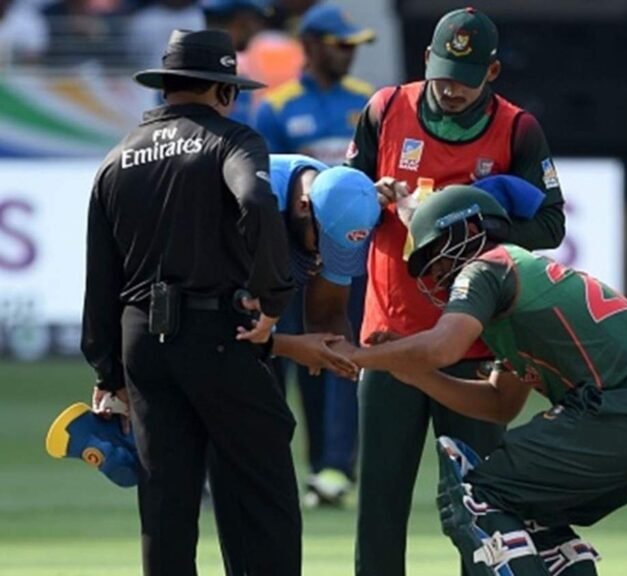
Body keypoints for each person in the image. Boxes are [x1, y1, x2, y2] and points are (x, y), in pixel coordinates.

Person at [326, 185, 627, 576]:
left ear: (466, 232)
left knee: (475, 495)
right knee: (532, 509)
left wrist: (355, 355)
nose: (434, 276)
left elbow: (443, 347)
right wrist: (417, 375)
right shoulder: (518, 289)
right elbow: (500, 403)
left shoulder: (488, 266)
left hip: (621, 407)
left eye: (433, 255)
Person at [81, 29, 321, 575]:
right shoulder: (233, 140)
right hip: (219, 335)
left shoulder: (116, 158)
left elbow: (100, 274)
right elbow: (257, 199)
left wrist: (106, 369)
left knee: (165, 503)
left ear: (167, 87)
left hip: (142, 342)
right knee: (260, 492)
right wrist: (272, 298)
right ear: (225, 91)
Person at [345, 7, 566, 575]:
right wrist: (372, 195)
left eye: (465, 80)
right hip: (391, 338)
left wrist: (481, 224)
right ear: (427, 61)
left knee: (479, 505)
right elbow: (344, 201)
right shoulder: (385, 108)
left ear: (491, 72)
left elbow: (550, 226)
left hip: (475, 343)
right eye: (443, 75)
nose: (451, 90)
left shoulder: (518, 128)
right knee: (380, 505)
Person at [262, 153, 380, 507]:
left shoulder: (341, 203)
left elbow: (330, 308)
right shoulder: (252, 203)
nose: (325, 256)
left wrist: (334, 349)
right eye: (324, 244)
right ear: (301, 207)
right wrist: (290, 345)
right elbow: (224, 332)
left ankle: (327, 466)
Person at [255, 2, 375, 164]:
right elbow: (270, 174)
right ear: (310, 45)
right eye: (341, 46)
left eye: (353, 46)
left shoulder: (368, 99)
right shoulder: (275, 107)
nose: (350, 55)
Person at [201, 0, 271, 124]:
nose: (258, 29)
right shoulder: (234, 71)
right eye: (258, 20)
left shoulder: (177, 65)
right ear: (243, 21)